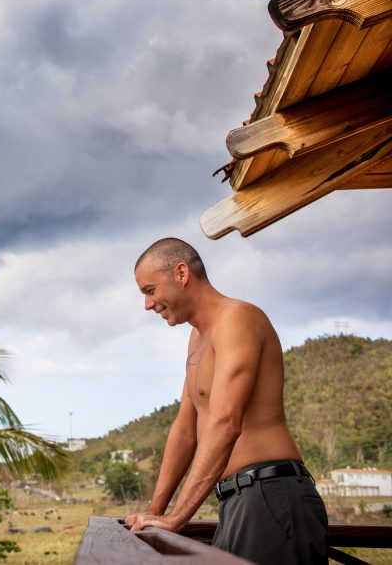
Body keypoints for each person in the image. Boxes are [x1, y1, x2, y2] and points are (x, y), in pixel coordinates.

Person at [124, 238, 327, 564]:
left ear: (181, 273)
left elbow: (226, 422)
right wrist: (156, 509)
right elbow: (185, 429)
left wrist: (178, 517)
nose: (148, 305)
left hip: (269, 492)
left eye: (150, 290)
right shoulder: (197, 338)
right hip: (236, 499)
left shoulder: (237, 319)